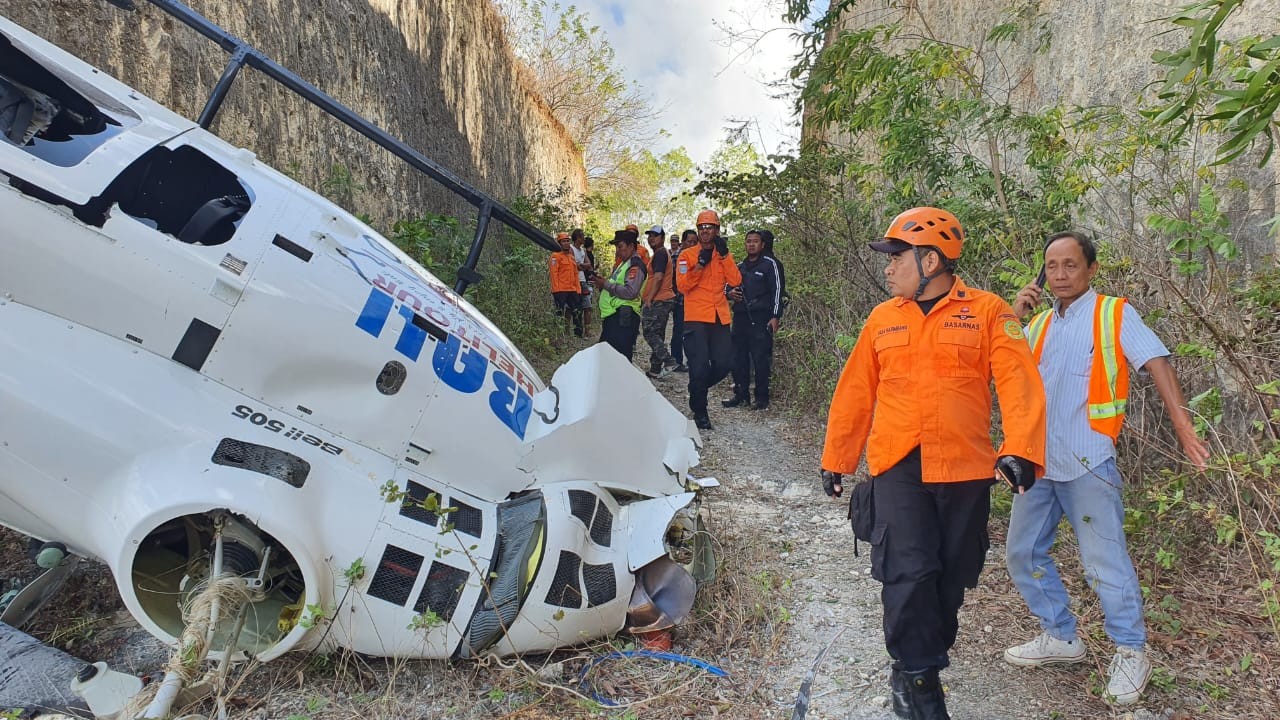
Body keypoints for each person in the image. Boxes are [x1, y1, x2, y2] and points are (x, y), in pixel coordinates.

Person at [820, 207, 1046, 720]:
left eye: (895, 257)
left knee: (952, 575)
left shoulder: (989, 312)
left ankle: (923, 658)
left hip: (964, 466)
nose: (887, 267)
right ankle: (916, 678)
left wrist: (1022, 449)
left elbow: (1018, 382)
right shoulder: (883, 318)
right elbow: (857, 390)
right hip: (897, 464)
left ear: (930, 259)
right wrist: (838, 457)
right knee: (909, 571)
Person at [1002, 231, 1211, 706]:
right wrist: (1014, 315)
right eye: (1051, 266)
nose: (1059, 274)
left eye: (1070, 265)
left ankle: (1131, 651)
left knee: (1104, 563)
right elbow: (998, 367)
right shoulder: (1035, 327)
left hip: (1088, 462)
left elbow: (1157, 362)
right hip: (1037, 465)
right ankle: (1061, 636)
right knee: (1023, 553)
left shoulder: (1113, 313)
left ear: (1091, 269)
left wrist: (1185, 430)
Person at [676, 210, 741, 430]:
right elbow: (683, 286)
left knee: (724, 363)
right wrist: (700, 266)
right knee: (699, 365)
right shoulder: (687, 256)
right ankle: (700, 410)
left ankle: (697, 388)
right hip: (696, 318)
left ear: (716, 230)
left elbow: (735, 280)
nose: (705, 231)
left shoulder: (722, 254)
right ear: (698, 230)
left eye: (710, 227)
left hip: (719, 317)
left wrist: (724, 256)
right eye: (702, 228)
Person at [723, 229, 782, 410]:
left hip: (761, 318)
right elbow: (726, 287)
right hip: (740, 317)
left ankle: (762, 398)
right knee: (737, 358)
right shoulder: (739, 266)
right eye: (748, 241)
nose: (751, 244)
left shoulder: (770, 264)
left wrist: (775, 316)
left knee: (760, 359)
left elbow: (778, 292)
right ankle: (741, 395)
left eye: (755, 241)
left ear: (762, 244)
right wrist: (730, 293)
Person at [592, 229, 646, 361]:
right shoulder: (624, 264)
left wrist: (605, 284)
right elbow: (616, 285)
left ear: (631, 246)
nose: (617, 251)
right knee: (608, 358)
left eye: (620, 246)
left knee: (619, 360)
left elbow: (630, 292)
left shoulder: (635, 265)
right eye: (616, 247)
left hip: (623, 317)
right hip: (615, 316)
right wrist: (602, 284)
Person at [641, 225, 679, 378]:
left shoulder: (661, 254)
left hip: (659, 299)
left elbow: (658, 277)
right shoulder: (659, 253)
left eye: (655, 236)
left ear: (662, 238)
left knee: (649, 332)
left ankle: (669, 360)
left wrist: (649, 298)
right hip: (663, 298)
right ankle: (655, 368)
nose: (651, 238)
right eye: (649, 236)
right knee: (657, 333)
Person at [668, 229, 697, 373]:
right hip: (680, 299)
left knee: (693, 332)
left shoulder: (700, 256)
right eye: (689, 241)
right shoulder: (678, 257)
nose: (692, 244)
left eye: (694, 242)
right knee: (679, 331)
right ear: (683, 242)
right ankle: (676, 360)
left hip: (696, 302)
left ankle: (693, 361)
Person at [549, 231, 583, 337]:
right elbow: (554, 274)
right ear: (559, 243)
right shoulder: (555, 256)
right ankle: (559, 335)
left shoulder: (571, 257)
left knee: (577, 312)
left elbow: (575, 274)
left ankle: (578, 335)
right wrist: (556, 290)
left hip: (572, 290)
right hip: (561, 290)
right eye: (564, 241)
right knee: (559, 313)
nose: (566, 243)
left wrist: (578, 289)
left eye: (568, 241)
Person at [571, 229, 594, 332]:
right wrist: (580, 266)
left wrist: (581, 266)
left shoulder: (583, 251)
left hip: (583, 281)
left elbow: (588, 265)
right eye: (582, 237)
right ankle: (574, 331)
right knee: (574, 307)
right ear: (578, 238)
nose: (584, 239)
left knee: (587, 306)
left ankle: (587, 331)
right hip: (573, 281)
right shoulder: (571, 249)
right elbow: (573, 265)